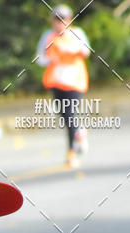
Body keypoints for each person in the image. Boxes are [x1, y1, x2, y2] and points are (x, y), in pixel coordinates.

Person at [37, 4, 91, 169]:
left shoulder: (77, 33)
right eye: (57, 20)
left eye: (63, 20)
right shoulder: (48, 36)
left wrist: (73, 49)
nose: (60, 23)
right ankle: (78, 131)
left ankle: (71, 153)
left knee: (69, 114)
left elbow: (86, 51)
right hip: (56, 81)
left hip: (75, 81)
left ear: (69, 20)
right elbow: (40, 58)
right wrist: (50, 59)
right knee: (65, 116)